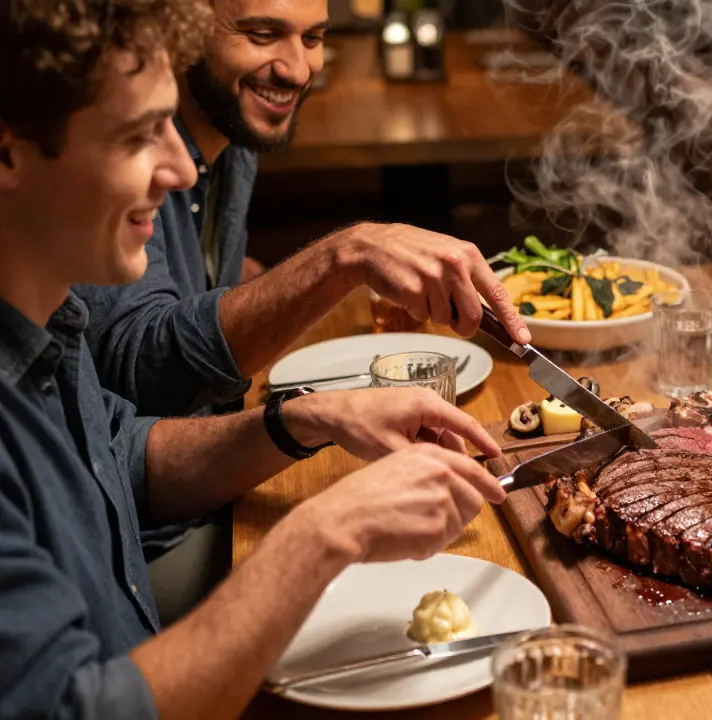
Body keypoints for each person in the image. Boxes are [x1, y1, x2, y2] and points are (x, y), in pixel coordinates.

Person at [0, 1, 507, 714]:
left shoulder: (53, 315)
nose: (183, 168)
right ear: (9, 152)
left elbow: (118, 455)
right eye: (141, 137)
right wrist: (324, 533)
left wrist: (303, 420)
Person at [74, 0, 531, 420]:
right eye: (261, 35)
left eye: (313, 39)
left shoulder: (235, 132)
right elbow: (139, 375)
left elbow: (195, 285)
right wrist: (343, 255)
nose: (297, 70)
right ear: (182, 31)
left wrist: (273, 285)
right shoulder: (123, 156)